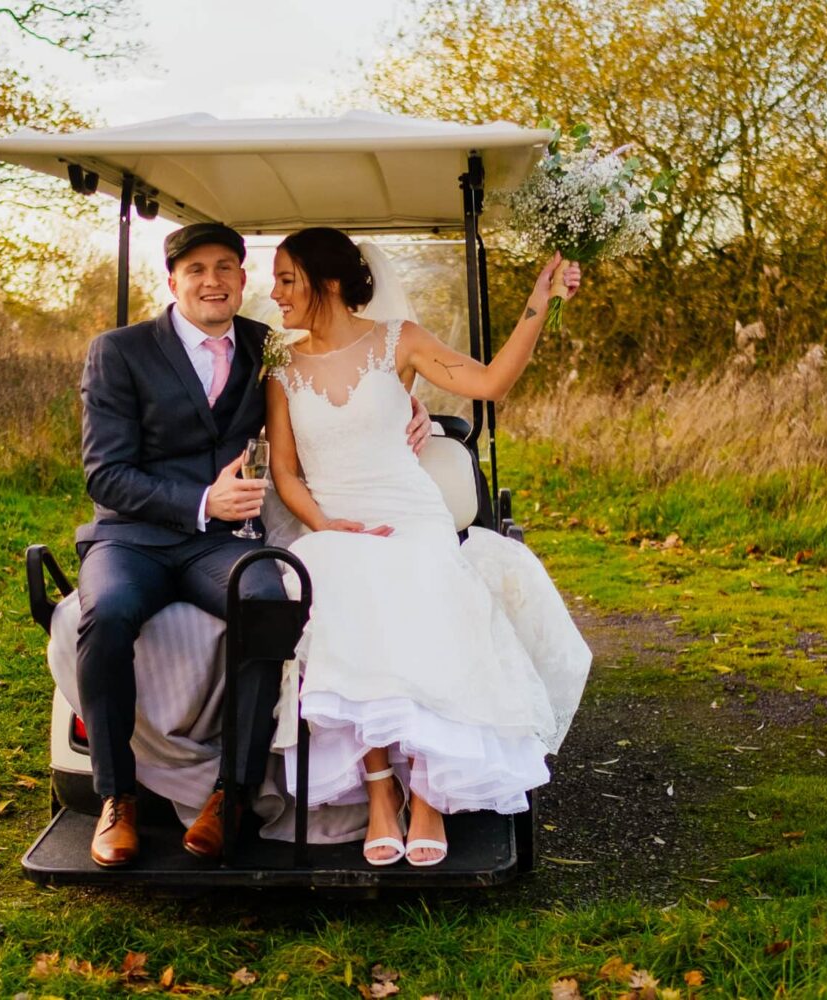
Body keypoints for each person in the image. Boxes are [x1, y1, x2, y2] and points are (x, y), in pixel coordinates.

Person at [75, 222, 430, 868]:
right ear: (172, 281)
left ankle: (231, 796)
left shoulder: (268, 346)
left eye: (224, 268)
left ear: (242, 279)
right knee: (106, 613)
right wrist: (201, 500)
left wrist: (408, 405)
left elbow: (346, 382)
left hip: (223, 544)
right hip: (135, 538)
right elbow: (105, 474)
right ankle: (116, 797)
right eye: (196, 270)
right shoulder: (119, 351)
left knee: (268, 604)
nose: (211, 281)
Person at [264, 227, 593, 866]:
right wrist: (325, 525)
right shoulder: (280, 366)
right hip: (334, 524)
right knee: (339, 576)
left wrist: (540, 300)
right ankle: (381, 791)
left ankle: (429, 793)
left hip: (410, 515)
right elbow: (285, 472)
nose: (274, 293)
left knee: (418, 579)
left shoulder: (400, 340)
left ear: (326, 281)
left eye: (285, 279)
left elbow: (491, 383)